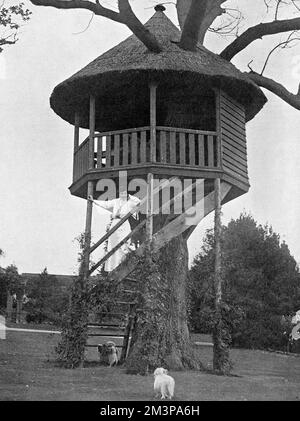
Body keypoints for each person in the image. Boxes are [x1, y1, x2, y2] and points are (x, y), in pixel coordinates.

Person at [89, 191, 140, 272]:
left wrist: (130, 196)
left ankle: (122, 266)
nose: (122, 194)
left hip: (124, 224)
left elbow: (138, 201)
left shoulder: (130, 202)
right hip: (115, 223)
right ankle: (112, 268)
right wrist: (94, 201)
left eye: (124, 193)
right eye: (121, 193)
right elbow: (106, 204)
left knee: (124, 245)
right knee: (112, 246)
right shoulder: (116, 201)